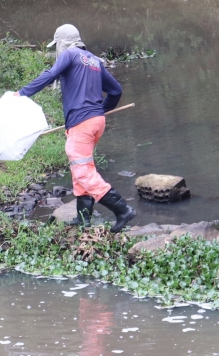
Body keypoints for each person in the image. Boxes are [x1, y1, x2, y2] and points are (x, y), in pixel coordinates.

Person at [14, 24, 136, 233]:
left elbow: (50, 75)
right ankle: (83, 218)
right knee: (80, 167)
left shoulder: (69, 54)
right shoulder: (95, 61)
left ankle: (123, 210)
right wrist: (99, 111)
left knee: (83, 171)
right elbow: (116, 90)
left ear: (63, 42)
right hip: (95, 122)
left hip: (83, 123)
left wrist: (22, 93)